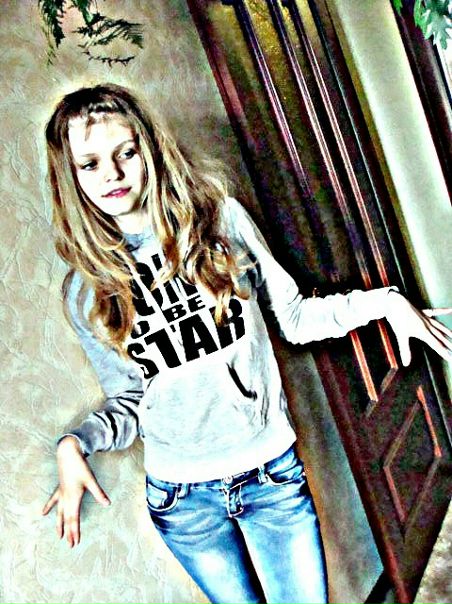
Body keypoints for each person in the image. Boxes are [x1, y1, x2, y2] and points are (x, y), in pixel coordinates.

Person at [41, 83, 451, 604]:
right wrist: (75, 443)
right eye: (90, 164)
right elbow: (132, 399)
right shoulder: (85, 291)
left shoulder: (222, 222)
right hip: (182, 502)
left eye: (126, 152)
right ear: (71, 176)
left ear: (151, 149)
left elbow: (295, 318)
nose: (112, 175)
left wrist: (386, 303)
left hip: (270, 477)